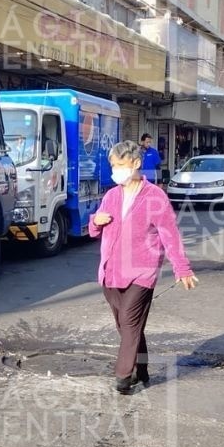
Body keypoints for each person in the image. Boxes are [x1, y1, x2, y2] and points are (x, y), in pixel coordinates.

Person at [90, 141, 198, 394]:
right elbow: (94, 229)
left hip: (142, 271)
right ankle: (142, 368)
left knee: (129, 320)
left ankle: (123, 377)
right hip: (111, 272)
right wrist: (96, 220)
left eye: (119, 165)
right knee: (128, 325)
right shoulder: (111, 195)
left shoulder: (154, 197)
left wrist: (182, 269)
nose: (115, 170)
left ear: (136, 164)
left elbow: (170, 234)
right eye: (112, 166)